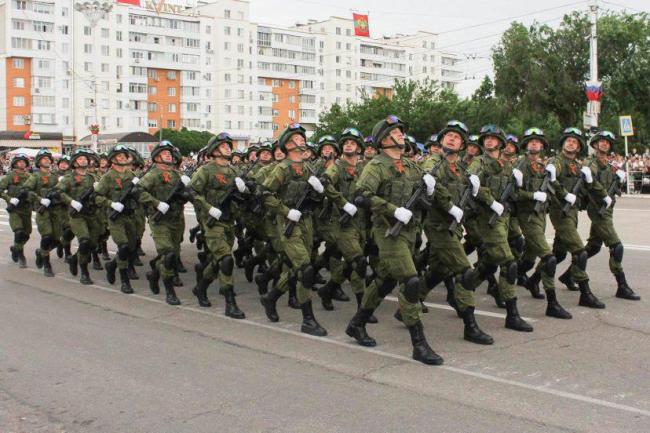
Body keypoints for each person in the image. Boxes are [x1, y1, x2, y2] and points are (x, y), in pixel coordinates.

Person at [346, 115, 442, 365]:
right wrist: (392, 209)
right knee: (410, 281)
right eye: (396, 132)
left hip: (409, 232)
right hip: (389, 232)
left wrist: (430, 189)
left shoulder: (410, 165)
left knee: (385, 280)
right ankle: (419, 344)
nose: (401, 134)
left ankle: (356, 324)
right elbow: (360, 195)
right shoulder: (376, 165)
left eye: (400, 131)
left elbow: (426, 201)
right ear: (385, 139)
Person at [417, 120, 494, 345]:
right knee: (465, 272)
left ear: (462, 145)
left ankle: (409, 303)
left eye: (457, 137)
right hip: (438, 227)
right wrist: (449, 206)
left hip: (454, 227)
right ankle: (470, 326)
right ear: (441, 140)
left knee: (439, 270)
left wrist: (478, 190)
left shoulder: (459, 168)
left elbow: (468, 190)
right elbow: (434, 186)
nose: (452, 139)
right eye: (449, 135)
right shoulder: (433, 162)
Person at [259, 123, 328, 336]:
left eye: (302, 138)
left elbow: (315, 199)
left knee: (296, 269)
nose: (302, 141)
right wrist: (285, 211)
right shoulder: (283, 168)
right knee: (305, 269)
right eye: (297, 138)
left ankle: (271, 297)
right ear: (288, 145)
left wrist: (319, 190)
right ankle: (308, 320)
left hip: (306, 223)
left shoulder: (307, 168)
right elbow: (263, 193)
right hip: (289, 224)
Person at [467, 125, 533, 332]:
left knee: (488, 265)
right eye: (486, 138)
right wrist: (490, 201)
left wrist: (519, 183)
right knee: (509, 263)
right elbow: (471, 182)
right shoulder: (479, 162)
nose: (489, 140)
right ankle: (512, 314)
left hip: (503, 220)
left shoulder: (506, 165)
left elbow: (514, 194)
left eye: (494, 138)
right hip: (487, 219)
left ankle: (462, 291)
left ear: (501, 143)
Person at [514, 128, 572, 318]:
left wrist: (564, 193)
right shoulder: (520, 165)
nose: (534, 143)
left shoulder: (542, 166)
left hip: (541, 215)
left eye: (537, 141)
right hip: (527, 216)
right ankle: (552, 304)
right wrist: (532, 195)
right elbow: (512, 193)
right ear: (526, 144)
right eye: (531, 141)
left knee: (529, 257)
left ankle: (513, 279)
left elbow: (553, 187)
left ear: (542, 146)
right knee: (549, 258)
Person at [189, 133, 248, 318]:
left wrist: (244, 189)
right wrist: (209, 208)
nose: (227, 148)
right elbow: (192, 191)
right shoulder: (206, 170)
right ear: (214, 151)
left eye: (228, 146)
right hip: (212, 222)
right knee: (226, 260)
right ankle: (230, 304)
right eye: (223, 146)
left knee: (217, 263)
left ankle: (200, 288)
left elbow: (245, 197)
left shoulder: (233, 172)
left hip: (229, 221)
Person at [548, 127, 607, 308]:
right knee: (579, 252)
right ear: (563, 143)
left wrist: (603, 194)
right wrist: (564, 194)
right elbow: (552, 181)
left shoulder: (577, 166)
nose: (571, 143)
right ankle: (585, 293)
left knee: (558, 253)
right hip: (560, 211)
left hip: (572, 212)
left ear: (579, 147)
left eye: (574, 142)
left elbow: (590, 185)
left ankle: (533, 279)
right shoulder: (556, 162)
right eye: (568, 140)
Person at [583, 131, 640, 300]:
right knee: (616, 246)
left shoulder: (607, 164)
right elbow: (592, 183)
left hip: (607, 209)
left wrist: (619, 180)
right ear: (595, 144)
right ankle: (622, 286)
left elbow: (612, 186)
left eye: (607, 142)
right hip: (597, 208)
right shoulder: (590, 163)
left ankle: (569, 274)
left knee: (594, 246)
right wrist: (604, 196)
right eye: (601, 141)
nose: (604, 144)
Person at [137, 142, 188, 305]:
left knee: (174, 255)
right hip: (159, 220)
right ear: (157, 157)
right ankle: (169, 292)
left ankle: (154, 274)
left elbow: (188, 195)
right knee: (168, 254)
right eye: (165, 153)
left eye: (170, 153)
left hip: (176, 219)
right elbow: (137, 191)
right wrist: (156, 203)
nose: (169, 155)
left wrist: (187, 190)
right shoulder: (153, 175)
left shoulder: (177, 175)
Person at [93, 145, 139, 294]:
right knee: (123, 246)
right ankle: (125, 281)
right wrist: (111, 204)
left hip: (130, 215)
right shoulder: (108, 177)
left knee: (131, 248)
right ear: (113, 159)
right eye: (119, 156)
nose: (122, 157)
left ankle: (112, 265)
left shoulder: (131, 175)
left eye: (124, 155)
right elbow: (96, 197)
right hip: (116, 218)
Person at [55, 149, 103, 285]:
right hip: (77, 215)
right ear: (75, 163)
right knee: (84, 241)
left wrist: (99, 188)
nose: (83, 161)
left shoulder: (93, 177)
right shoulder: (69, 178)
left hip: (92, 214)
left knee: (93, 245)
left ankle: (74, 259)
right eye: (80, 159)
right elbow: (57, 191)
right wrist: (71, 202)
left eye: (85, 159)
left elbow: (104, 191)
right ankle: (84, 272)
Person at [22, 150, 61, 277]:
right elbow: (26, 190)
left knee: (56, 240)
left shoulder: (55, 176)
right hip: (43, 211)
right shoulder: (35, 177)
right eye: (44, 159)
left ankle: (41, 252)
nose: (47, 160)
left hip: (56, 210)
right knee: (47, 236)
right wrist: (40, 199)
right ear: (39, 162)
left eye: (48, 159)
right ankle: (46, 263)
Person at [1, 153, 33, 268]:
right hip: (15, 209)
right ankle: (21, 255)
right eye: (19, 161)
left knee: (27, 234)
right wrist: (9, 199)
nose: (22, 163)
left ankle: (15, 248)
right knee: (18, 232)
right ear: (15, 164)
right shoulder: (9, 176)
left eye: (24, 161)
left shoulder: (30, 177)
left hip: (26, 209)